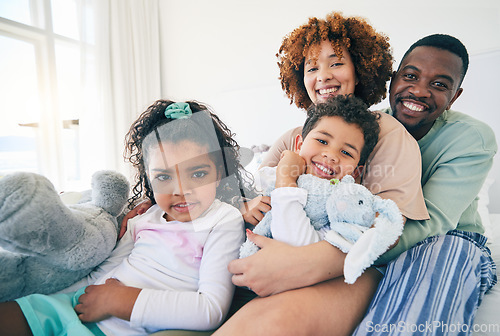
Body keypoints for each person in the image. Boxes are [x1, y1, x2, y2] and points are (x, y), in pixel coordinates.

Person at [212, 12, 429, 336]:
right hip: (265, 254)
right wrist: (245, 204)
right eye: (312, 67)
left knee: (275, 322)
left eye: (336, 63)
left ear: (360, 68)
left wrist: (300, 263)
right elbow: (243, 192)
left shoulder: (388, 132)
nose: (323, 76)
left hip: (348, 265)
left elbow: (387, 228)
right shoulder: (292, 138)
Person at [0, 100, 251, 335]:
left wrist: (118, 301)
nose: (180, 190)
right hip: (78, 307)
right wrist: (61, 297)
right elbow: (105, 271)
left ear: (219, 171)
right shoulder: (146, 216)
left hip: (120, 327)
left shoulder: (223, 220)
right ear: (149, 179)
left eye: (197, 173)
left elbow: (209, 309)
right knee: (19, 309)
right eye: (163, 177)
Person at [352, 34, 497, 334]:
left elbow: (434, 221)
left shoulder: (472, 137)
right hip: (369, 238)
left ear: (455, 97)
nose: (419, 91)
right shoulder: (365, 125)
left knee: (444, 253)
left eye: (440, 85)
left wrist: (349, 254)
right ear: (392, 81)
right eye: (410, 76)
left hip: (448, 238)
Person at [241, 94, 380, 254]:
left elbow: (300, 246)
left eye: (345, 152)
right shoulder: (269, 176)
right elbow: (221, 206)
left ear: (355, 172)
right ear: (299, 145)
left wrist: (286, 179)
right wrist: (242, 208)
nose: (331, 155)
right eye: (322, 141)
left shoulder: (342, 208)